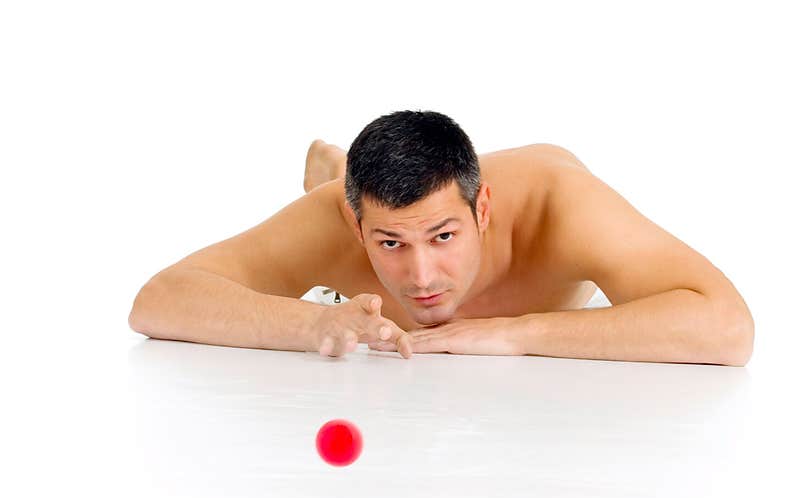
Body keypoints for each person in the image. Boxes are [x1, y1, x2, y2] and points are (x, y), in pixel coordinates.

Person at [128, 110, 754, 365]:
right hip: (341, 201)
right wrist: (312, 323)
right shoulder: (334, 223)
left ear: (483, 210)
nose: (421, 277)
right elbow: (159, 298)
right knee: (331, 199)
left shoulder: (563, 206)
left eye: (445, 235)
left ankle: (340, 166)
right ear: (356, 227)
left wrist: (515, 330)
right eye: (391, 244)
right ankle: (334, 173)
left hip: (540, 181)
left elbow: (727, 327)